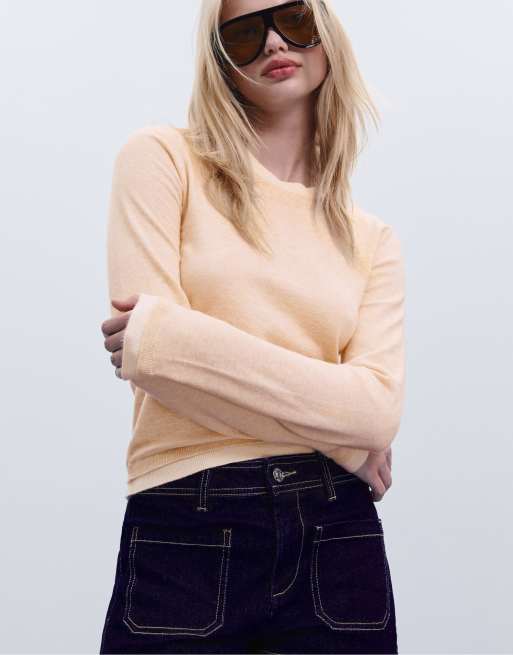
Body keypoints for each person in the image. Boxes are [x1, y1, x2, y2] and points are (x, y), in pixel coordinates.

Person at [99, 0, 405, 652]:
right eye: (242, 34)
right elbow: (151, 362)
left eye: (292, 19)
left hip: (336, 530)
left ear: (326, 33)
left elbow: (377, 411)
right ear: (220, 63)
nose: (272, 43)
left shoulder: (371, 240)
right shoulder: (161, 160)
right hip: (187, 514)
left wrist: (179, 343)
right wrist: (348, 443)